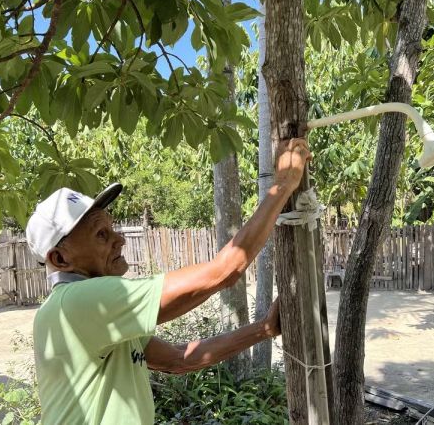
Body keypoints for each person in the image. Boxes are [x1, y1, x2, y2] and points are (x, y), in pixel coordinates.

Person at [26, 138, 312, 424]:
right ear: (61, 259)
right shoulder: (79, 302)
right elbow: (225, 271)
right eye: (101, 234)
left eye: (112, 229)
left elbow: (178, 359)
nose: (120, 239)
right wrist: (284, 184)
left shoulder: (91, 316)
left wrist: (263, 329)